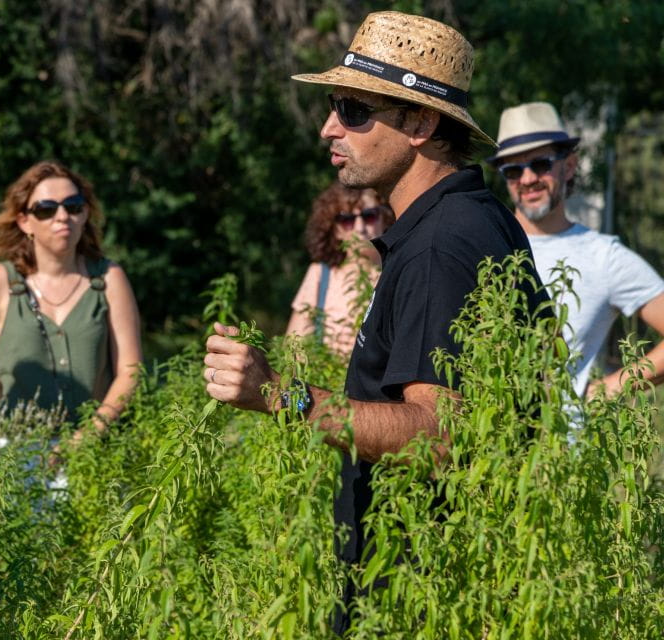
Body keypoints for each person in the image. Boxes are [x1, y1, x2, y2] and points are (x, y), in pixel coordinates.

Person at [202, 11, 550, 632]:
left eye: (354, 112)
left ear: (421, 122)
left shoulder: (440, 245)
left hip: (418, 590)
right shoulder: (471, 220)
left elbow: (439, 435)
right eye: (335, 105)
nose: (327, 128)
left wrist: (282, 397)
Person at [0, 161, 141, 432]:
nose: (62, 216)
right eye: (46, 210)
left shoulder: (108, 278)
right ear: (24, 221)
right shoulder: (3, 281)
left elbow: (131, 371)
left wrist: (90, 436)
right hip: (16, 452)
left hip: (93, 457)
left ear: (85, 214)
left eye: (73, 205)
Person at [489, 101, 664, 399]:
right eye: (514, 170)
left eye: (541, 164)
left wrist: (606, 390)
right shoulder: (486, 243)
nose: (528, 178)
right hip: (486, 439)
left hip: (563, 443)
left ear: (568, 166)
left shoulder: (603, 255)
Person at [286, 184, 393, 356]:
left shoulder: (397, 274)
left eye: (369, 216)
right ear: (335, 229)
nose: (360, 227)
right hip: (324, 379)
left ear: (385, 218)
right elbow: (293, 351)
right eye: (347, 219)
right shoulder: (320, 275)